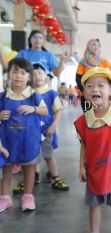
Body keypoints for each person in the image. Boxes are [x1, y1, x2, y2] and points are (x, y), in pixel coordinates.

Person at [74, 67, 111, 233]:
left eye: (101, 85)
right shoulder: (83, 120)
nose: (95, 89)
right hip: (94, 171)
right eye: (90, 86)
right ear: (84, 93)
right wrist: (81, 166)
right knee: (94, 206)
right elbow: (83, 144)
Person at [12, 62, 69, 194]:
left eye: (40, 73)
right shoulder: (28, 93)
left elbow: (58, 110)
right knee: (31, 156)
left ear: (46, 76)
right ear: (30, 77)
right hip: (30, 132)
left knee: (48, 155)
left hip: (46, 131)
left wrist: (54, 125)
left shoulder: (51, 93)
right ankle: (33, 178)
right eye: (34, 73)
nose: (37, 76)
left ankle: (55, 177)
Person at [0, 58, 48, 213]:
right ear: (9, 74)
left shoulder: (34, 96)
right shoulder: (3, 96)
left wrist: (33, 109)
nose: (18, 76)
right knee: (6, 169)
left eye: (23, 73)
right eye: (15, 72)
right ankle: (5, 198)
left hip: (29, 140)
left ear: (29, 77)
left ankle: (27, 196)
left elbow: (45, 111)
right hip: (8, 140)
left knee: (29, 168)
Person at [76, 39, 111, 112]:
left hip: (103, 96)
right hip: (87, 96)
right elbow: (78, 79)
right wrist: (85, 92)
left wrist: (110, 93)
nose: (96, 47)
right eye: (93, 44)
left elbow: (110, 79)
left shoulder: (105, 62)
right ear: (88, 47)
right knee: (88, 118)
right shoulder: (83, 62)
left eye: (98, 45)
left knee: (103, 116)